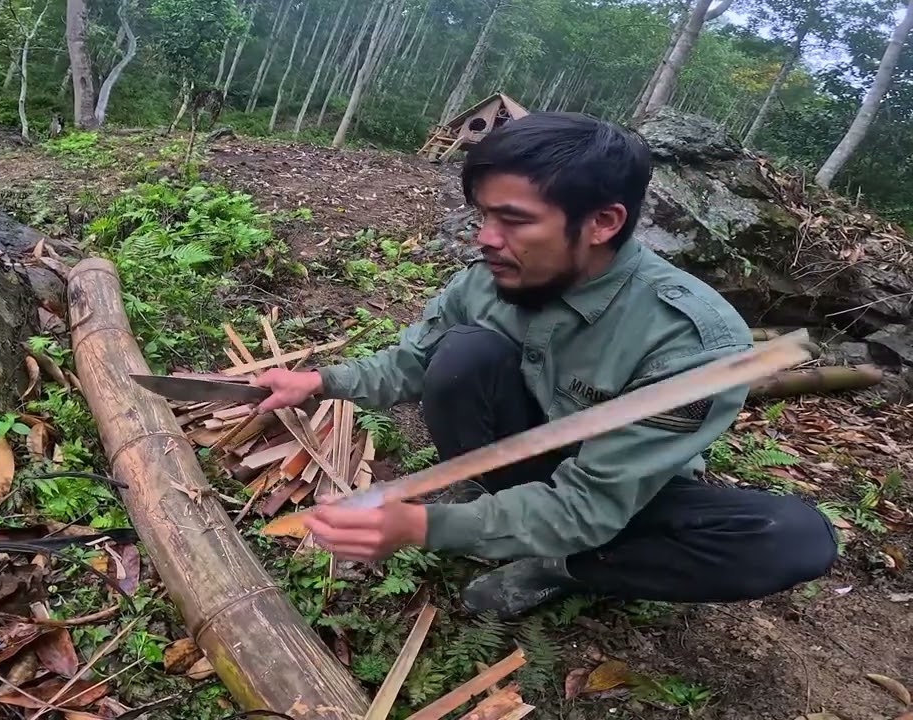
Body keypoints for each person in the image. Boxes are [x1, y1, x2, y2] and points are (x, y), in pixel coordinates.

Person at [252, 112, 838, 619]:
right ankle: (499, 511)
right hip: (523, 454)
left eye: (514, 220)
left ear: (603, 222)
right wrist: (319, 381)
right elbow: (413, 359)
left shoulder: (692, 341)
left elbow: (592, 502)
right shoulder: (489, 279)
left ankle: (563, 565)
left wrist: (421, 527)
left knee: (791, 541)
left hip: (614, 488)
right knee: (464, 353)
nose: (486, 238)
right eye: (482, 215)